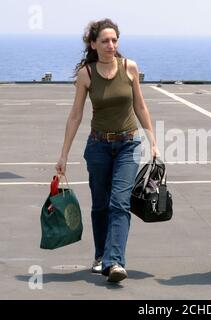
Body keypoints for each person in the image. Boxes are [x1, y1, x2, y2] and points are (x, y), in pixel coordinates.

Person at [55, 18, 159, 283]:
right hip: (98, 147)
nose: (110, 45)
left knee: (120, 202)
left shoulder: (130, 67)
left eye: (114, 40)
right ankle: (101, 255)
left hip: (128, 145)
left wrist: (153, 142)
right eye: (104, 40)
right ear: (93, 44)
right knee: (100, 205)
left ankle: (115, 262)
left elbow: (141, 107)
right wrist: (64, 154)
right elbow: (76, 115)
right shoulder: (86, 74)